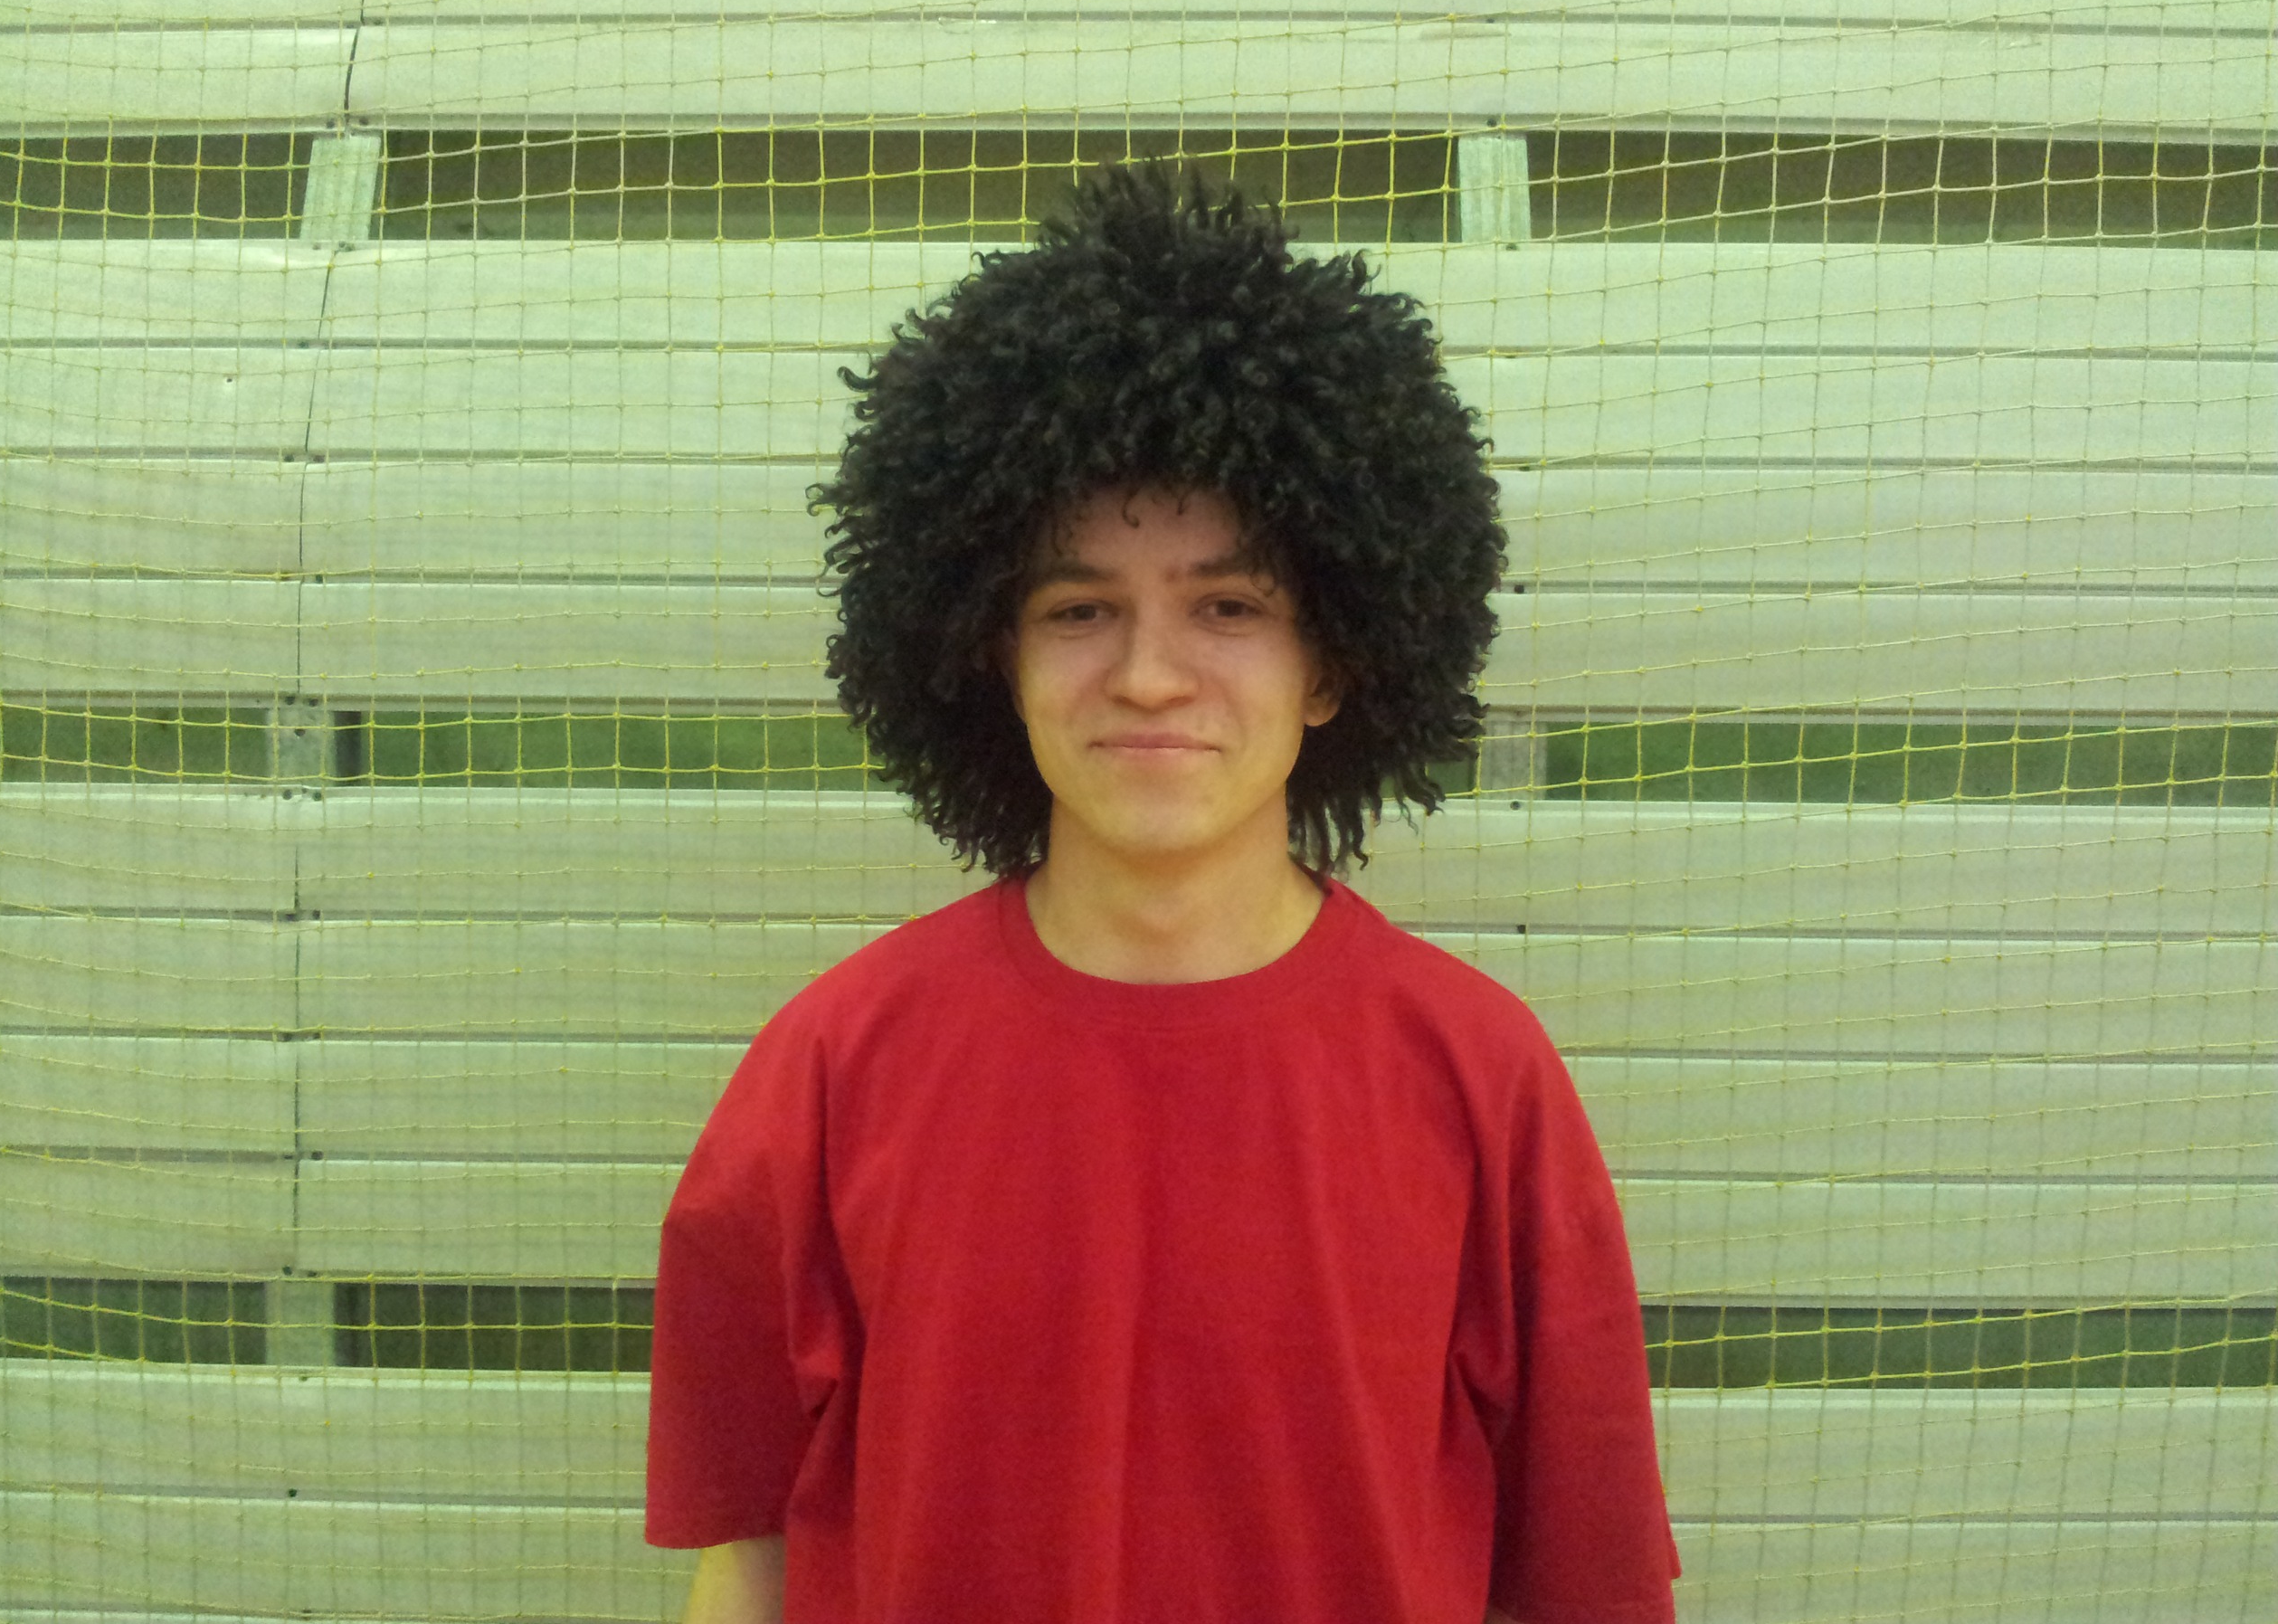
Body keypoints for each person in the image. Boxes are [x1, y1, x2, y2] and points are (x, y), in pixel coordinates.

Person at [645, 164, 1677, 1624]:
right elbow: (749, 1553)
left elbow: (1576, 1581)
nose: (1146, 674)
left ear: (1334, 664)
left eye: (1228, 606)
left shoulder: (1480, 1080)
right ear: (988, 654)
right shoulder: (831, 1069)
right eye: (1080, 609)